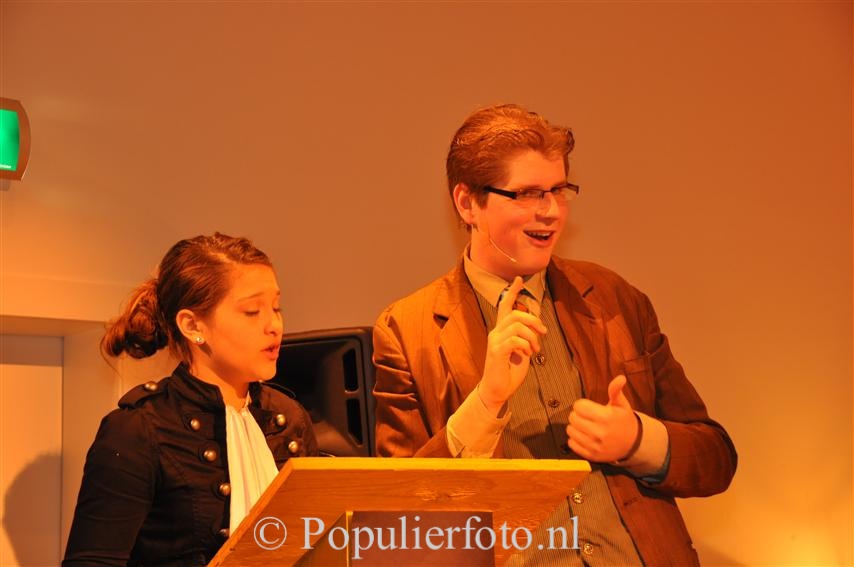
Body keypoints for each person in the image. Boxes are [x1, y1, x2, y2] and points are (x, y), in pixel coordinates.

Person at [372, 104, 737, 566]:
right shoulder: (407, 331)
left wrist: (637, 440)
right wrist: (485, 403)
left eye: (558, 191)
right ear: (467, 203)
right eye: (526, 194)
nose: (550, 212)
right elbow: (399, 524)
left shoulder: (615, 298)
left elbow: (715, 459)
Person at [63, 233, 318, 566]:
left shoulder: (290, 419)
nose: (274, 325)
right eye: (252, 311)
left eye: (276, 307)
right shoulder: (138, 430)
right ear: (193, 325)